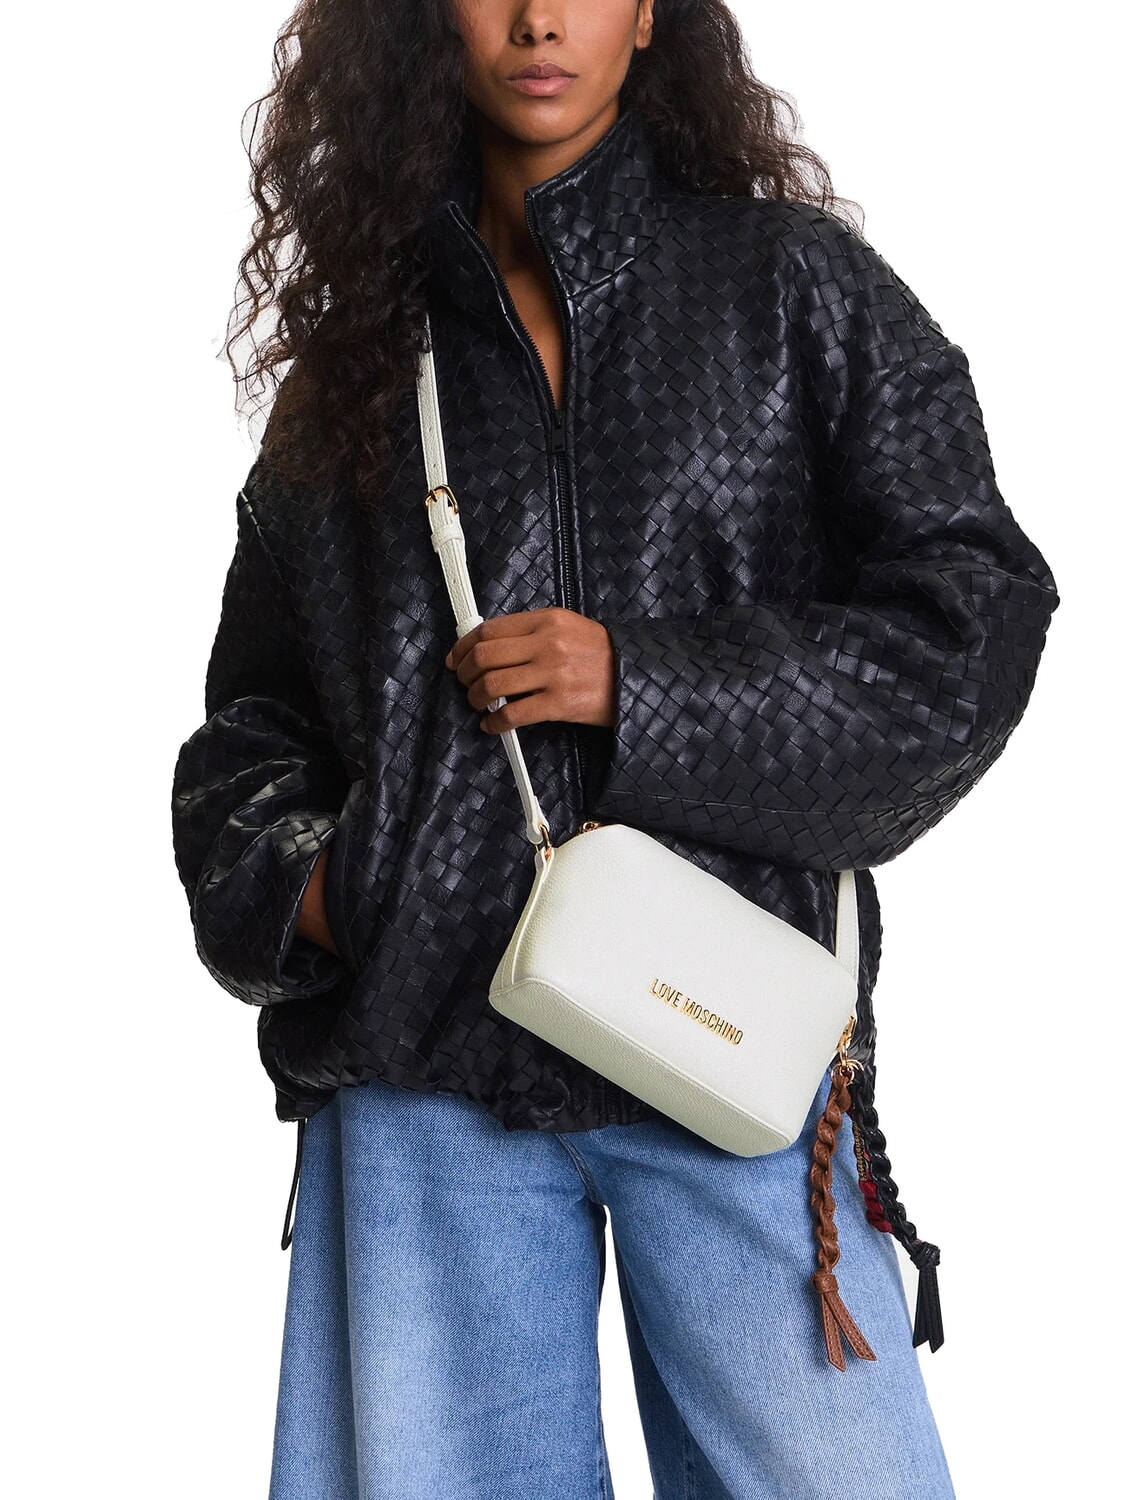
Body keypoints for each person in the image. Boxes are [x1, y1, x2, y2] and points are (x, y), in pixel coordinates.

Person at [170, 2, 1059, 1495]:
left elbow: (970, 628)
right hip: (424, 1069)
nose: (538, 18)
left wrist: (641, 686)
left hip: (723, 1041)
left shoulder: (791, 290)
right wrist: (338, 895)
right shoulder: (363, 360)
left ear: (650, 12)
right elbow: (247, 732)